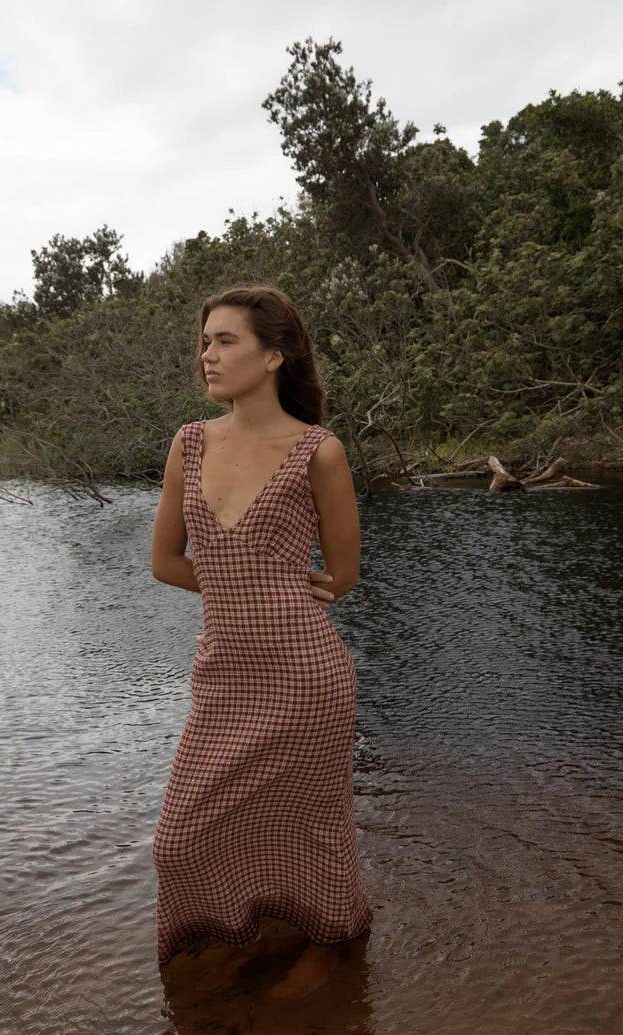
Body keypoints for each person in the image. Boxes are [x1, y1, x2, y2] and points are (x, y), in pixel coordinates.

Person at [151, 285, 372, 996]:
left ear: (274, 356)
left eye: (226, 341)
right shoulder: (189, 443)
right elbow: (165, 562)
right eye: (205, 341)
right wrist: (241, 591)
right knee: (178, 839)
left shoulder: (319, 451)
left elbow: (344, 572)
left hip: (307, 678)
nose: (207, 355)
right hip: (223, 679)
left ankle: (329, 939)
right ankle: (237, 929)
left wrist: (287, 595)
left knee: (313, 825)